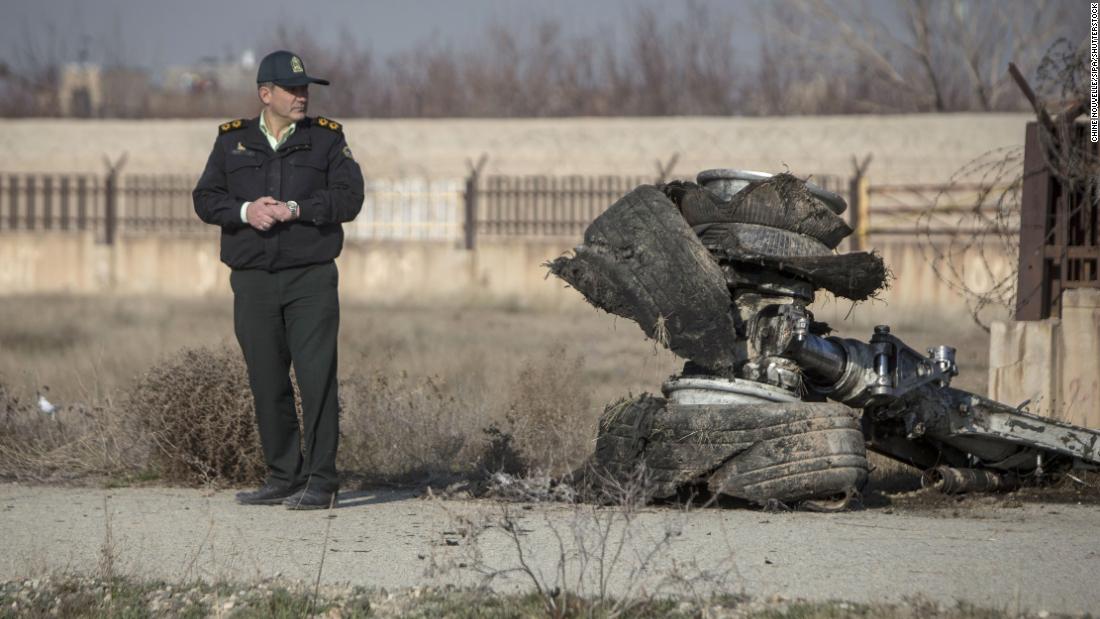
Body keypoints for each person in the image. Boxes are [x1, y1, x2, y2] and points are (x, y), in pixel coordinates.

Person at [193, 50, 363, 509]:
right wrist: (247, 212)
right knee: (266, 378)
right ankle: (283, 475)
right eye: (292, 89)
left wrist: (296, 210)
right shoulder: (232, 141)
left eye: (305, 88)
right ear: (265, 94)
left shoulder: (327, 140)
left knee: (316, 378)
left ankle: (322, 480)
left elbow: (350, 198)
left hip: (310, 279)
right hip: (252, 280)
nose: (302, 96)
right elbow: (206, 199)